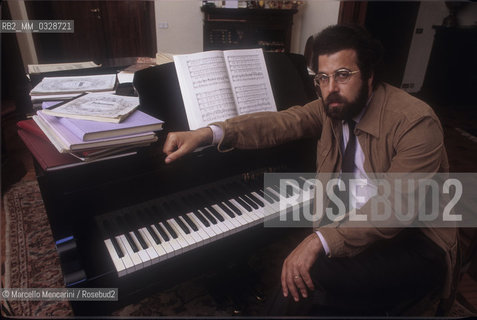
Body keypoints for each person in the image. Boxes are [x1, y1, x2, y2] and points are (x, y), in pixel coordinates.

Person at [162, 25, 458, 316]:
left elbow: (397, 206)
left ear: (369, 75)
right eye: (323, 78)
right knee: (306, 286)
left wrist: (321, 239)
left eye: (343, 75)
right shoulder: (333, 107)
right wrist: (206, 134)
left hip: (416, 239)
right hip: (357, 223)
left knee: (309, 278)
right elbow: (282, 122)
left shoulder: (415, 122)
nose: (331, 89)